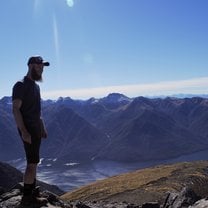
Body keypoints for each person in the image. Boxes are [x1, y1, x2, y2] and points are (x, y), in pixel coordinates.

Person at [12, 55, 49, 206]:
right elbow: (15, 109)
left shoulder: (35, 86)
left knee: (34, 161)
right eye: (39, 66)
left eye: (42, 67)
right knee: (31, 163)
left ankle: (32, 192)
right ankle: (27, 197)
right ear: (31, 66)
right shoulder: (20, 85)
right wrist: (24, 131)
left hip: (35, 129)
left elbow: (37, 111)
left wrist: (42, 127)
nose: (41, 69)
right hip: (28, 130)